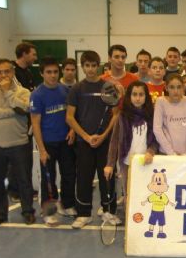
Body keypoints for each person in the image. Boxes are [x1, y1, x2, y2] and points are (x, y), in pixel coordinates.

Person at [0, 59, 35, 227]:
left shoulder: (23, 92)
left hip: (19, 144)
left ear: (13, 72)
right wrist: (11, 111)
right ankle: (0, 214)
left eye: (7, 71)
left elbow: (25, 109)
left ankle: (28, 212)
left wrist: (8, 94)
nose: (3, 75)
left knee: (24, 181)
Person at [66, 51, 119, 229]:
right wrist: (87, 137)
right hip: (84, 143)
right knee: (84, 177)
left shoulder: (108, 87)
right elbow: (70, 118)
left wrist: (103, 136)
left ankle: (109, 211)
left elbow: (115, 115)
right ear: (83, 66)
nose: (90, 69)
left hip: (105, 142)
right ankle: (84, 213)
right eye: (87, 65)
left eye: (93, 65)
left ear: (98, 65)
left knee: (107, 176)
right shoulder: (77, 89)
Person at [30, 57, 77, 226]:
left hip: (65, 141)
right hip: (47, 144)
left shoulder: (65, 91)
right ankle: (49, 212)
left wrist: (72, 130)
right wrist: (42, 149)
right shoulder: (37, 95)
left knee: (69, 174)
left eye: (55, 72)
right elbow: (35, 123)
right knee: (48, 179)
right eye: (48, 72)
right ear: (42, 73)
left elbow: (71, 115)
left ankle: (67, 204)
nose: (52, 75)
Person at [104, 81, 155, 213]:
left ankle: (145, 222)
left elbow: (155, 139)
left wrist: (150, 151)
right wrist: (110, 164)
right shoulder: (122, 116)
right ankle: (131, 222)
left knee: (147, 193)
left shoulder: (152, 115)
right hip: (127, 163)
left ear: (146, 97)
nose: (138, 98)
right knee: (129, 193)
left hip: (147, 162)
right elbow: (114, 141)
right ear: (129, 96)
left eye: (141, 95)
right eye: (134, 94)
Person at [9, 42, 38, 202]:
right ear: (24, 54)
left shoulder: (28, 73)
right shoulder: (12, 72)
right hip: (16, 124)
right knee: (17, 158)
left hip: (28, 122)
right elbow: (16, 98)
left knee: (26, 157)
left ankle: (25, 188)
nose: (35, 57)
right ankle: (15, 191)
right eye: (33, 54)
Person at [153, 74, 186, 155]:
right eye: (172, 87)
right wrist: (171, 153)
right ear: (166, 88)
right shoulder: (160, 102)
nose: (176, 91)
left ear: (183, 87)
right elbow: (157, 129)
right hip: (166, 152)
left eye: (179, 87)